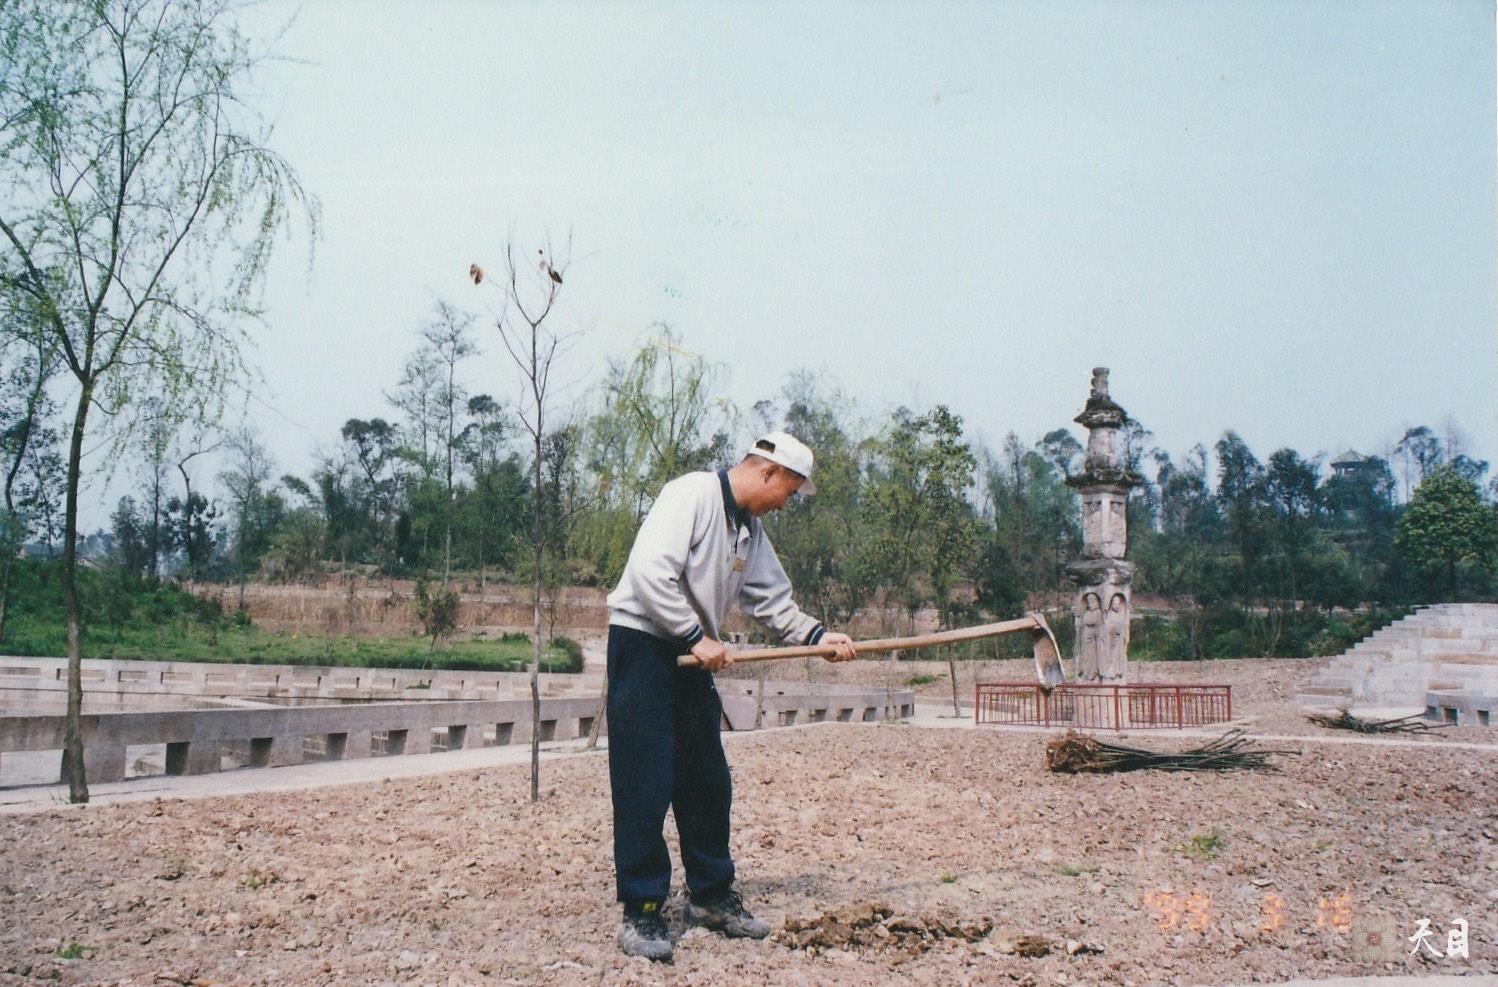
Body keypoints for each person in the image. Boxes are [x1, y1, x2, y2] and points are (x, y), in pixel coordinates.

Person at [604, 430, 858, 961]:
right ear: (767, 471)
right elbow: (650, 574)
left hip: (694, 652)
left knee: (707, 781)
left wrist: (817, 638)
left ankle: (711, 896)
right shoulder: (691, 494)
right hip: (646, 645)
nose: (786, 503)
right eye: (789, 491)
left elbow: (771, 599)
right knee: (644, 782)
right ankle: (643, 910)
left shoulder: (749, 530)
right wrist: (697, 637)